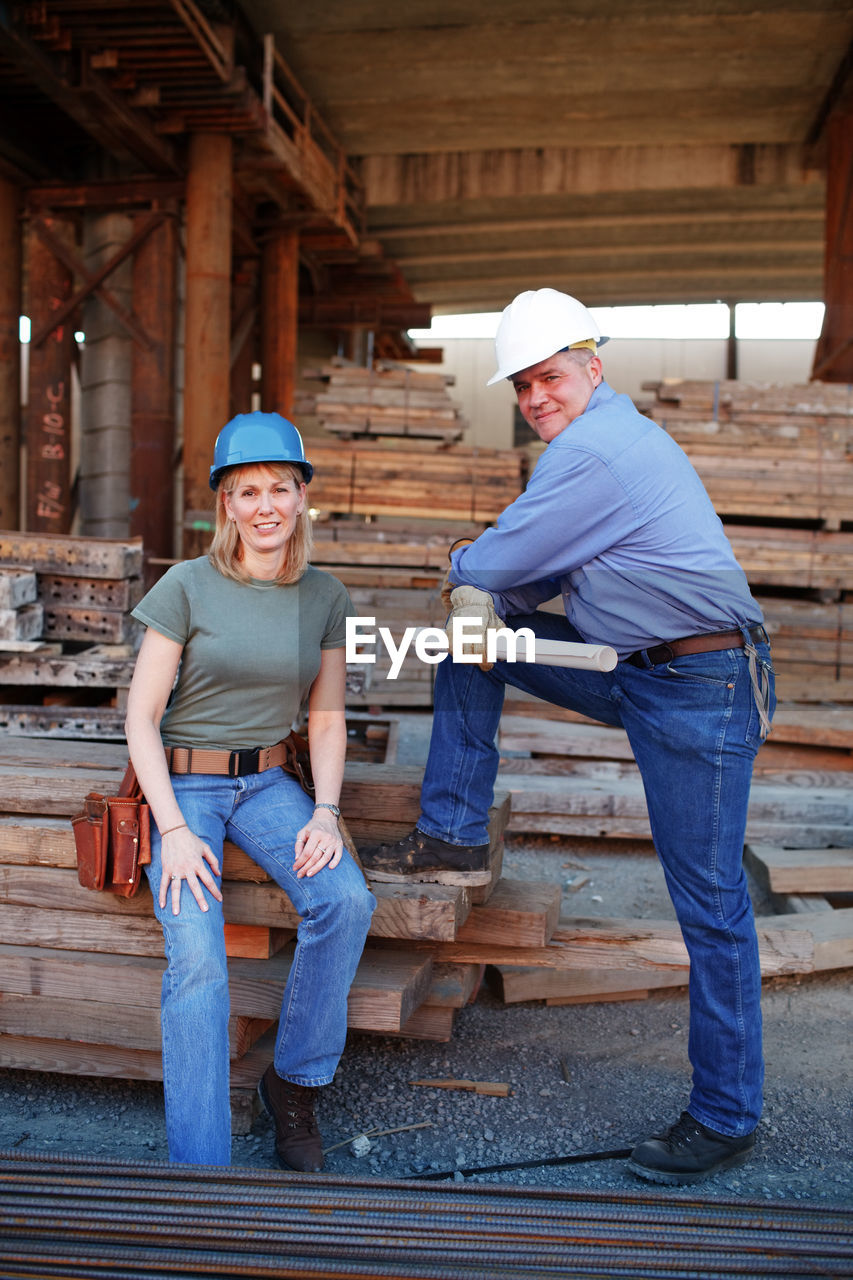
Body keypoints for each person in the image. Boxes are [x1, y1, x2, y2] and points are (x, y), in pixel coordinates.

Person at [359, 288, 775, 1186]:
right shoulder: (585, 447)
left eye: (549, 376)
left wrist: (471, 576)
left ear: (593, 367)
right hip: (634, 664)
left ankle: (726, 1115)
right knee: (468, 649)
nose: (535, 396)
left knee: (709, 909)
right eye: (521, 384)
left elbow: (493, 565)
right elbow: (516, 587)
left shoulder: (594, 452)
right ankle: (452, 834)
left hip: (698, 688)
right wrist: (485, 600)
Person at [125, 411, 376, 1170]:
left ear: (302, 497)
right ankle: (201, 1172)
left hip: (270, 784)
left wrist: (326, 813)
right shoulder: (186, 587)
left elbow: (328, 717)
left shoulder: (326, 596)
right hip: (184, 790)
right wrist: (170, 829)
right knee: (199, 958)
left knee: (346, 900)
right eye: (245, 492)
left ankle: (292, 1086)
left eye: (279, 487)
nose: (264, 506)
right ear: (224, 505)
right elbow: (140, 719)